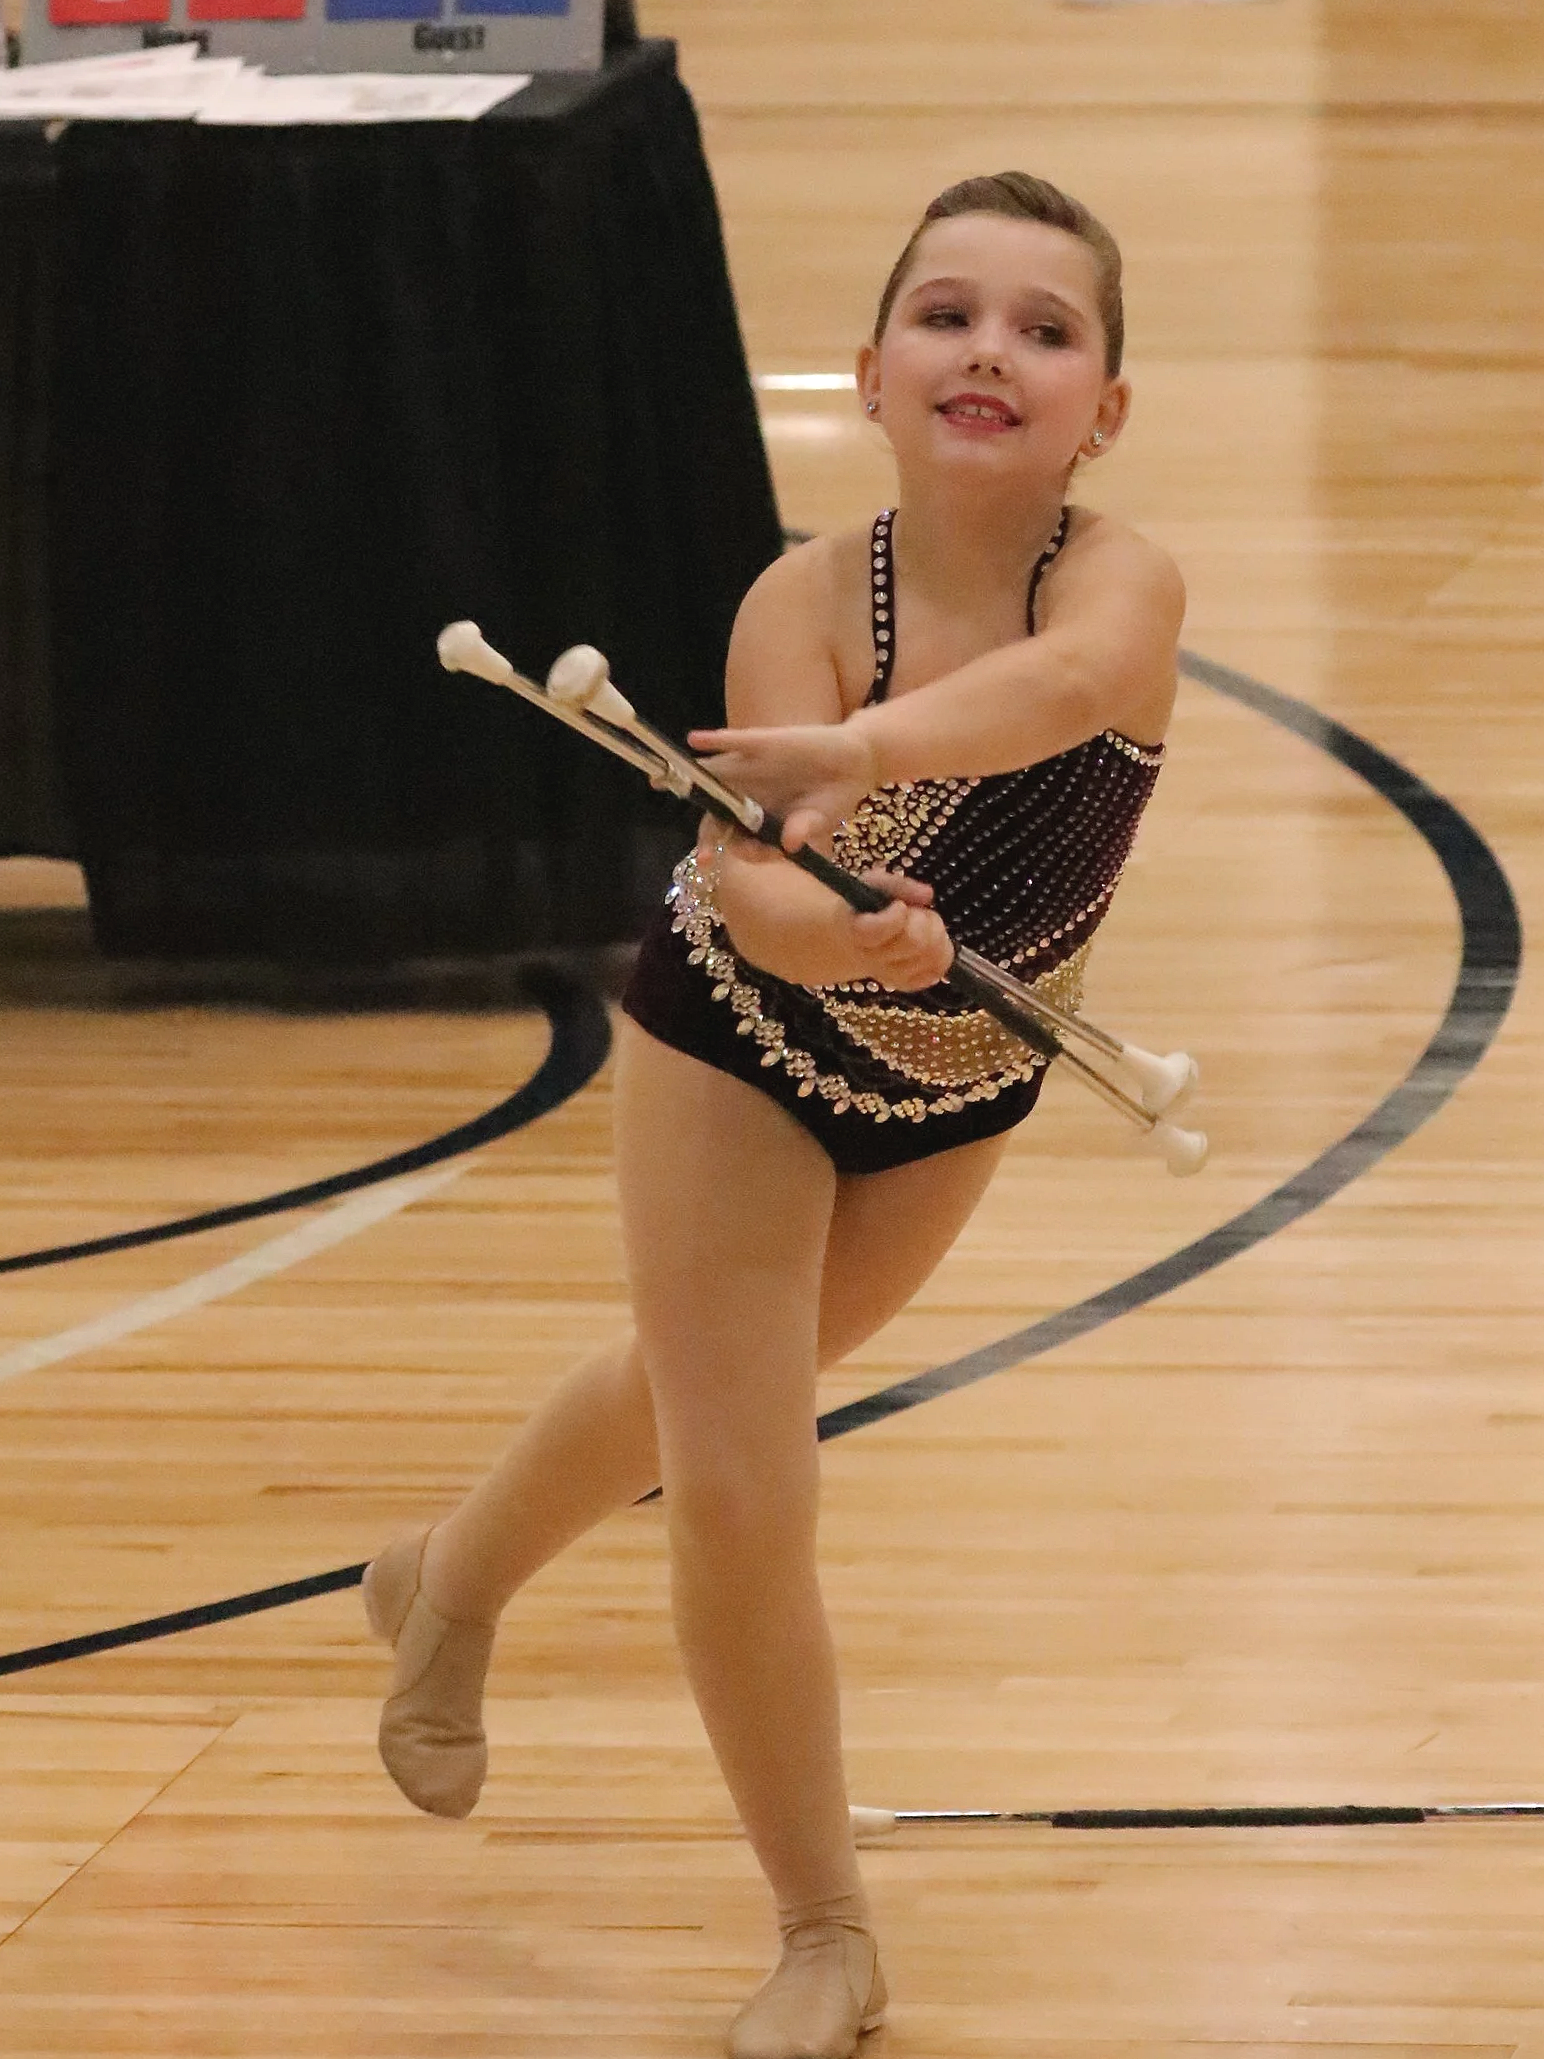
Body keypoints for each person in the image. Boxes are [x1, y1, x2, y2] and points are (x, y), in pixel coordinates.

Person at [362, 171, 1185, 2059]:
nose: (991, 351)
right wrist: (848, 932)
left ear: (1106, 407)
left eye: (1046, 329)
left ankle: (445, 1574)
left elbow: (1056, 694)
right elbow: (756, 895)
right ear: (871, 376)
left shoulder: (1121, 587)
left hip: (960, 1079)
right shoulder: (803, 601)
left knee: (690, 1380)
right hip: (735, 1044)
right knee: (743, 1480)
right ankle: (829, 1930)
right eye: (946, 315)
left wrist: (868, 758)